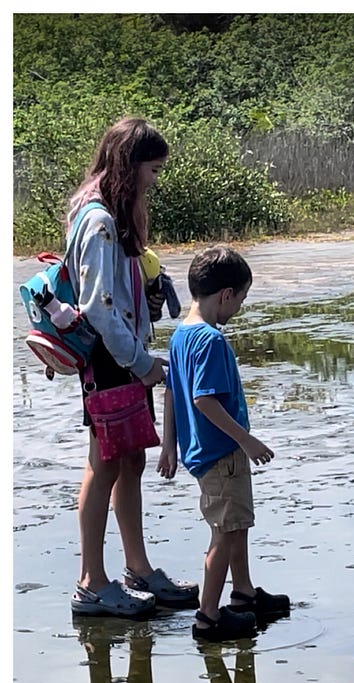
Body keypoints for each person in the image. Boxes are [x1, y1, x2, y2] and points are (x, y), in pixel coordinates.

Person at [69, 117, 199, 618]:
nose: (154, 180)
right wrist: (143, 364)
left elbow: (112, 294)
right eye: (152, 170)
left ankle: (137, 569)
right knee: (103, 463)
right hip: (110, 358)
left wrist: (149, 287)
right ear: (129, 167)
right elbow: (98, 308)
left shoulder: (106, 214)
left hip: (120, 354)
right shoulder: (99, 219)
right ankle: (91, 582)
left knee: (130, 461)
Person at [157, 245, 290, 642]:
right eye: (242, 299)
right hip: (221, 453)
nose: (239, 308)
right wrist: (247, 441)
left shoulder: (182, 334)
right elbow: (203, 399)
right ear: (226, 295)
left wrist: (169, 445)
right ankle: (209, 617)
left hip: (203, 451)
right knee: (224, 531)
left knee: (237, 524)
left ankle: (244, 593)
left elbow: (170, 393)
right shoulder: (210, 341)